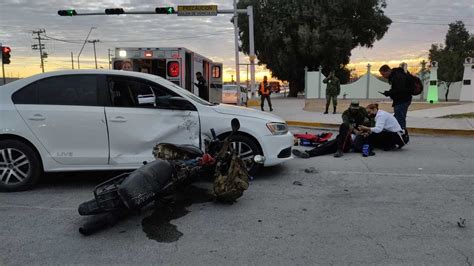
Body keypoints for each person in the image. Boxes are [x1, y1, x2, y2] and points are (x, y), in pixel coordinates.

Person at [292, 100, 373, 158]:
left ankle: (338, 149)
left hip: (350, 143)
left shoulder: (363, 112)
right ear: (350, 107)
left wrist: (364, 131)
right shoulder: (346, 113)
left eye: (356, 109)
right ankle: (309, 153)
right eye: (353, 109)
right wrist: (355, 131)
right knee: (329, 145)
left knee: (330, 144)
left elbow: (370, 125)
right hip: (345, 137)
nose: (354, 111)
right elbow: (346, 123)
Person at [378, 64, 412, 130]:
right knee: (398, 118)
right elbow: (396, 88)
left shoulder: (397, 76)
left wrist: (389, 93)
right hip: (400, 100)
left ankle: (402, 134)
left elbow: (399, 90)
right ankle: (399, 133)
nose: (383, 76)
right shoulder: (395, 75)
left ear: (388, 71)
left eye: (383, 74)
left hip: (402, 100)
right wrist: (389, 92)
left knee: (400, 119)